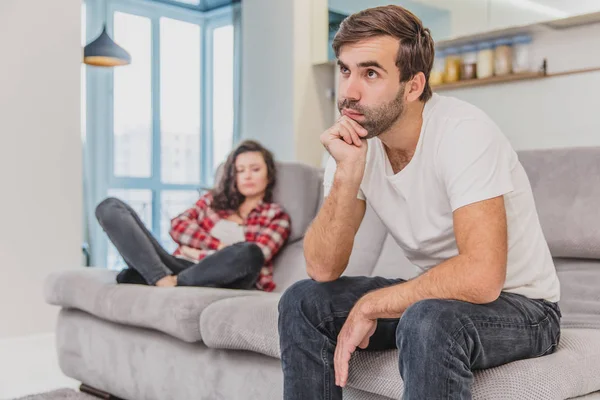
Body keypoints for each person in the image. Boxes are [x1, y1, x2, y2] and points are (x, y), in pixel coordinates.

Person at [278, 5, 561, 400]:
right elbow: (322, 268)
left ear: (413, 86)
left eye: (370, 73)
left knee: (427, 320)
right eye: (345, 70)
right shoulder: (353, 146)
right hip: (440, 299)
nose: (349, 93)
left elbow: (481, 277)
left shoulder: (464, 132)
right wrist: (346, 175)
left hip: (524, 308)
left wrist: (370, 306)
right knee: (303, 301)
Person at [95, 140, 291, 292]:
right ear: (234, 176)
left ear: (269, 174)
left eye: (255, 169)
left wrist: (197, 253)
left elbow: (258, 254)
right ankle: (161, 279)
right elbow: (178, 227)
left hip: (230, 279)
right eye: (241, 170)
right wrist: (218, 247)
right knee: (109, 207)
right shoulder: (212, 202)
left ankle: (159, 279)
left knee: (250, 252)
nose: (247, 176)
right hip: (183, 266)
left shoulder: (276, 216)